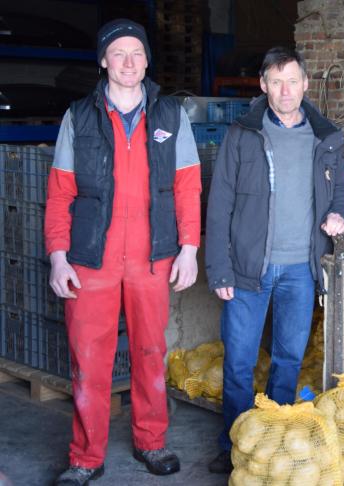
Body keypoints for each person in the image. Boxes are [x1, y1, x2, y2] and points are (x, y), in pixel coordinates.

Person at [44, 19, 201, 486]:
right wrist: (57, 255)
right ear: (103, 61)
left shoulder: (172, 116)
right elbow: (59, 194)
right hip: (91, 259)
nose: (129, 62)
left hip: (153, 258)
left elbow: (188, 187)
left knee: (152, 352)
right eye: (118, 53)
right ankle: (85, 457)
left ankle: (151, 442)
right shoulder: (79, 116)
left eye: (137, 53)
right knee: (89, 359)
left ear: (147, 60)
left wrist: (189, 249)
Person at [204, 46, 344, 473]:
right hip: (249, 269)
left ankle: (274, 441)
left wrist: (338, 215)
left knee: (288, 358)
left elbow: (339, 190)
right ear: (263, 85)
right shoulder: (242, 133)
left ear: (305, 84)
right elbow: (219, 204)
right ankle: (232, 444)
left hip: (301, 270)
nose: (285, 90)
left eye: (293, 81)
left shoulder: (327, 136)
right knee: (239, 360)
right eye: (276, 81)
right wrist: (219, 267)